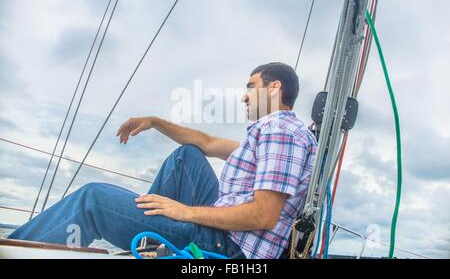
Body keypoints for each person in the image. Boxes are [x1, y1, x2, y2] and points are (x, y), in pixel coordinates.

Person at [9, 62, 317, 259]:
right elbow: (206, 143)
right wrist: (156, 121)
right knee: (187, 156)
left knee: (94, 199)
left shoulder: (280, 132)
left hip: (230, 247)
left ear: (274, 87)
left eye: (250, 87)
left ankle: (8, 252)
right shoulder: (270, 133)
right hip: (225, 233)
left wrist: (184, 212)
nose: (244, 97)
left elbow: (263, 216)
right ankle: (150, 238)